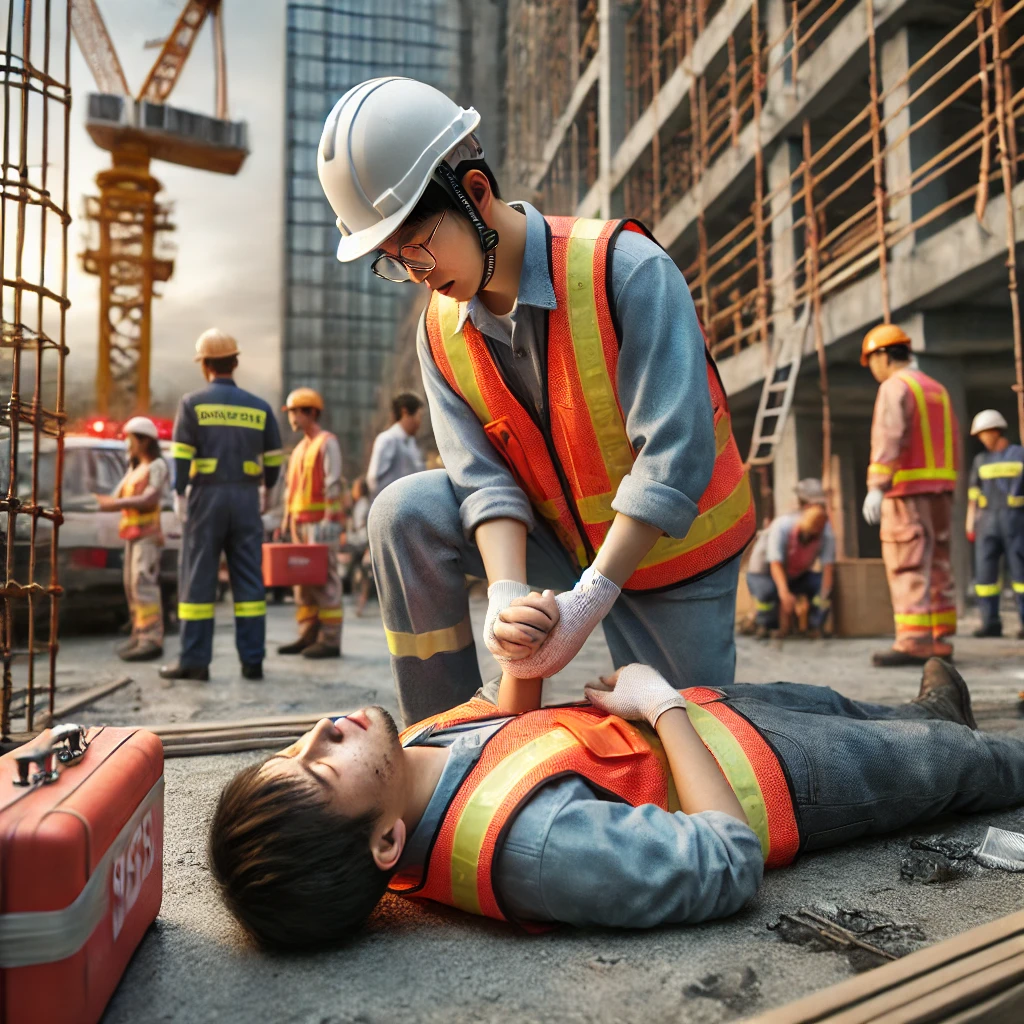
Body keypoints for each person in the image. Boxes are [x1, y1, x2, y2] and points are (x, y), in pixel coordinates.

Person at [316, 77, 755, 725]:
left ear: (474, 194)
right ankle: (449, 746)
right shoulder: (439, 332)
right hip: (557, 539)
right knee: (403, 511)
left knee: (691, 749)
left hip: (669, 553)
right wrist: (506, 592)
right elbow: (482, 479)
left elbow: (673, 457)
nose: (414, 271)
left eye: (416, 245)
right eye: (391, 260)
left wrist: (591, 597)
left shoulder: (624, 270)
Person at [210, 606, 1024, 951]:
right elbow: (725, 862)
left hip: (731, 718)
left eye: (291, 749)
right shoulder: (537, 848)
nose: (320, 733)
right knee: (972, 769)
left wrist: (519, 663)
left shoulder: (405, 757)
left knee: (859, 707)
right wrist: (661, 705)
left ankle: (936, 719)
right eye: (321, 771)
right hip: (792, 777)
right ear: (387, 841)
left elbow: (497, 722)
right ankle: (953, 744)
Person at [160, 329, 283, 683]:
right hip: (246, 498)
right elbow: (274, 458)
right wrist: (268, 492)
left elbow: (181, 454)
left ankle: (195, 662)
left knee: (198, 579)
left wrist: (178, 493)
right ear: (235, 361)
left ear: (205, 366)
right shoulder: (259, 407)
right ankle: (253, 662)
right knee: (249, 581)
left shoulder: (192, 404)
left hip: (206, 499)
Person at [860, 324, 959, 667]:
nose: (873, 368)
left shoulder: (895, 387)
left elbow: (890, 437)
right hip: (941, 492)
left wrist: (876, 487)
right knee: (939, 562)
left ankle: (914, 641)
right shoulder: (938, 389)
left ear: (884, 355)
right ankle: (939, 638)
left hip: (905, 494)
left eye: (872, 360)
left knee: (908, 563)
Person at [95, 416, 169, 662]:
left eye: (131, 438)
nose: (127, 443)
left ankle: (151, 639)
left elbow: (149, 498)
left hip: (147, 536)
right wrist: (129, 467)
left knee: (143, 584)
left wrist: (116, 503)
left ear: (145, 440)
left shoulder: (157, 466)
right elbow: (116, 495)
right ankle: (139, 635)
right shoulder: (136, 468)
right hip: (132, 536)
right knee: (132, 587)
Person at [278, 388, 344, 659]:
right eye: (291, 412)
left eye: (296, 411)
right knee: (302, 581)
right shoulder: (298, 450)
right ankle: (307, 634)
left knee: (325, 580)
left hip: (320, 524)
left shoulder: (326, 443)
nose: (292, 417)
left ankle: (329, 639)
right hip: (299, 524)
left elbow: (333, 484)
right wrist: (285, 520)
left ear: (311, 413)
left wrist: (329, 520)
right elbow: (290, 489)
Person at [745, 478, 834, 638]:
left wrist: (824, 593)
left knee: (820, 585)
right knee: (767, 594)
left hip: (795, 574)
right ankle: (766, 625)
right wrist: (784, 593)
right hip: (764, 574)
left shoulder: (824, 530)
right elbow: (775, 563)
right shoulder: (783, 526)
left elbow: (828, 567)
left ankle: (815, 626)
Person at [966, 409, 1024, 639]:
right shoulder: (980, 460)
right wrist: (970, 524)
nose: (982, 438)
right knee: (985, 577)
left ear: (996, 431)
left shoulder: (1020, 455)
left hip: (1016, 521)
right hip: (987, 523)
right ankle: (990, 623)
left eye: (984, 433)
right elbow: (973, 494)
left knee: (1021, 576)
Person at [366, 392, 426, 501]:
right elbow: (374, 479)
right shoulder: (387, 439)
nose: (420, 422)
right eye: (419, 416)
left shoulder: (411, 443)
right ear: (405, 413)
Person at [341, 476, 373, 616]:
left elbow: (362, 528)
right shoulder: (362, 504)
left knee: (360, 574)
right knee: (360, 574)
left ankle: (360, 603)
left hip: (360, 544)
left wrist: (348, 537)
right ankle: (360, 603)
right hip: (359, 543)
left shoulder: (363, 505)